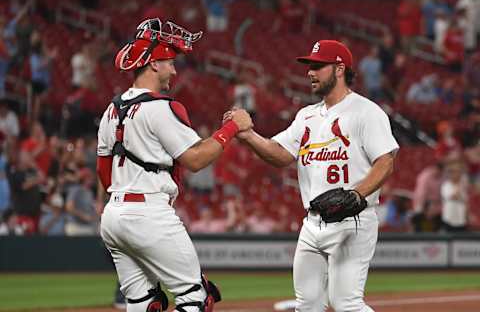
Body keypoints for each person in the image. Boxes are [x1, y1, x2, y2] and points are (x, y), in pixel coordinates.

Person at [226, 40, 398, 311]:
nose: (310, 72)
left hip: (351, 219)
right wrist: (247, 135)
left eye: (318, 66)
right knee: (307, 305)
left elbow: (385, 162)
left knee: (346, 303)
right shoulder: (306, 116)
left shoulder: (366, 112)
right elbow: (280, 154)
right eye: (309, 66)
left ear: (340, 69)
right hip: (312, 223)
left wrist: (356, 194)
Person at [96, 18, 252, 312]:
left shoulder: (110, 110)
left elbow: (104, 173)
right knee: (196, 298)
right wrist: (232, 128)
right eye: (170, 62)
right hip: (149, 213)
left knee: (143, 303)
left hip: (113, 216)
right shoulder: (162, 107)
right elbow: (195, 159)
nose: (174, 69)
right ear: (154, 64)